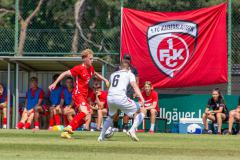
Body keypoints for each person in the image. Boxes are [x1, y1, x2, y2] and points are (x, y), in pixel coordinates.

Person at [48, 49, 109, 139]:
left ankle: (66, 131)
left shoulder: (91, 69)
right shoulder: (79, 68)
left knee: (87, 117)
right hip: (77, 94)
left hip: (84, 97)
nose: (92, 60)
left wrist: (105, 79)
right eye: (90, 59)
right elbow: (65, 73)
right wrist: (55, 83)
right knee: (84, 112)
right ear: (85, 59)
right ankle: (68, 127)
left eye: (92, 59)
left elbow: (95, 74)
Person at [98, 60, 145, 142]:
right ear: (129, 68)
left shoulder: (113, 74)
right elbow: (134, 86)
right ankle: (132, 130)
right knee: (142, 110)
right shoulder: (129, 74)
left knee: (110, 117)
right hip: (120, 97)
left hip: (110, 97)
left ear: (120, 67)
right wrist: (141, 97)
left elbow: (109, 86)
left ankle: (101, 137)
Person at [113, 53, 139, 132]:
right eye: (125, 59)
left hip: (129, 92)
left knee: (127, 110)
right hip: (119, 91)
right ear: (123, 59)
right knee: (117, 110)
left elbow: (137, 80)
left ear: (130, 61)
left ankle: (125, 126)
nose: (127, 61)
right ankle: (115, 125)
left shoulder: (133, 69)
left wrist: (135, 91)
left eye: (128, 59)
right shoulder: (118, 68)